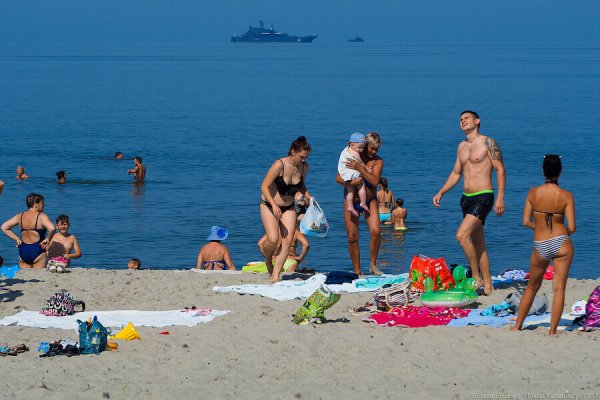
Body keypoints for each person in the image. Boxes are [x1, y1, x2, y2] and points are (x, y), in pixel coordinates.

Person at [433, 111, 505, 295]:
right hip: (466, 198)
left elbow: (500, 169)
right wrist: (441, 191)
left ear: (477, 121)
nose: (462, 121)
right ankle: (488, 285)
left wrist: (500, 197)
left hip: (484, 196)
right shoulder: (462, 146)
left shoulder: (488, 142)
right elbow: (456, 173)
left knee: (461, 235)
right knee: (478, 242)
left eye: (466, 118)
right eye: (460, 120)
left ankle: (476, 277)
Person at [511, 155, 575, 335]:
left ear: (543, 171)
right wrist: (560, 232)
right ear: (560, 172)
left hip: (540, 244)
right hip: (561, 242)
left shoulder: (533, 193)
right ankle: (552, 331)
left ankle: (517, 326)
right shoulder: (566, 195)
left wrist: (539, 227)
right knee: (559, 288)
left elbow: (526, 221)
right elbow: (572, 227)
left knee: (532, 286)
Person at [260, 136, 312, 282]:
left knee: (287, 240)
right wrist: (274, 204)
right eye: (301, 156)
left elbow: (300, 185)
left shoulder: (304, 167)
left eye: (306, 157)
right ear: (293, 151)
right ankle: (268, 259)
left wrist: (308, 196)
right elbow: (264, 186)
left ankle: (275, 275)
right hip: (269, 205)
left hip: (289, 206)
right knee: (273, 239)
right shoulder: (279, 164)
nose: (303, 160)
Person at [336, 132, 384, 275]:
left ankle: (373, 265)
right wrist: (349, 183)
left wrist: (360, 169)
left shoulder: (378, 161)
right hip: (351, 200)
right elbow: (338, 178)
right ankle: (357, 270)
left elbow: (375, 181)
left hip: (369, 200)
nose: (373, 152)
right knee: (352, 237)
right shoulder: (353, 155)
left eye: (376, 149)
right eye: (371, 148)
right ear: (365, 145)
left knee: (376, 232)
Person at [1, 193, 55, 269]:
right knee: (39, 275)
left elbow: (4, 227)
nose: (44, 205)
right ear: (35, 204)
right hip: (38, 250)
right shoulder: (41, 216)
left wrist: (17, 238)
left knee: (26, 275)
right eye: (42, 203)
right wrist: (48, 239)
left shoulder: (20, 216)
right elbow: (52, 228)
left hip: (23, 251)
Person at [338, 133, 368, 217]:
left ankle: (350, 207)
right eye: (360, 147)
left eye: (363, 148)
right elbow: (361, 163)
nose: (361, 150)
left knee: (350, 191)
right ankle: (363, 203)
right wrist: (366, 168)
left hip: (345, 173)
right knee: (361, 185)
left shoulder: (345, 150)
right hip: (352, 173)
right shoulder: (355, 153)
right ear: (351, 144)